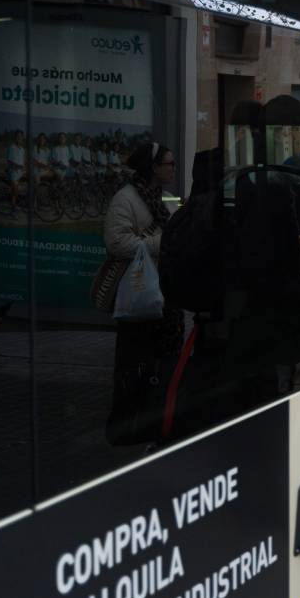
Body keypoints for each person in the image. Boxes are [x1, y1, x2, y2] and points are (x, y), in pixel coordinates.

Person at [103, 142, 181, 444]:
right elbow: (117, 243)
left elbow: (178, 225)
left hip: (166, 296)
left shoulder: (168, 197)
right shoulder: (126, 199)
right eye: (168, 164)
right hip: (139, 297)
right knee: (134, 364)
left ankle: (156, 421)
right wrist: (159, 243)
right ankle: (127, 426)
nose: (173, 169)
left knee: (163, 364)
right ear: (153, 168)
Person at [4, 131, 25, 209]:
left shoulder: (22, 149)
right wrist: (18, 166)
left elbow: (22, 161)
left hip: (20, 171)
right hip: (13, 171)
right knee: (15, 189)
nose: (19, 138)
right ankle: (13, 205)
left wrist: (23, 166)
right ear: (15, 138)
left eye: (21, 137)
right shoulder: (12, 147)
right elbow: (9, 161)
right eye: (18, 136)